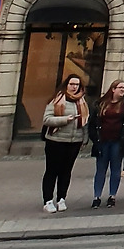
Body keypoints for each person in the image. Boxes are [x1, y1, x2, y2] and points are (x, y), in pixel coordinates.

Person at [40, 75, 88, 211]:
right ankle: (48, 200)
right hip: (56, 140)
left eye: (77, 84)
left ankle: (61, 198)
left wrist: (84, 139)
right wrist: (64, 120)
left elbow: (85, 122)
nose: (74, 87)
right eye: (72, 84)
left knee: (66, 172)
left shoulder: (82, 101)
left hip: (74, 141)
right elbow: (47, 119)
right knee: (52, 171)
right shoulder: (57, 100)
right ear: (66, 85)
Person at [88, 79, 124, 208]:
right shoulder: (101, 103)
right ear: (113, 89)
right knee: (101, 169)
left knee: (116, 169)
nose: (123, 90)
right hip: (102, 140)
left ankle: (112, 196)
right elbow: (92, 122)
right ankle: (97, 196)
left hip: (118, 141)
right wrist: (94, 137)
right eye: (120, 87)